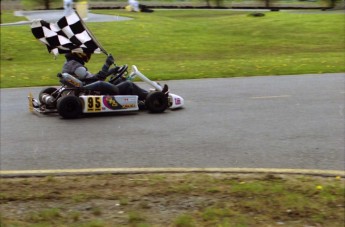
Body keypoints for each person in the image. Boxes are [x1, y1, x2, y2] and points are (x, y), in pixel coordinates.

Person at [61, 52, 152, 100]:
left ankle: (144, 96)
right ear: (80, 53)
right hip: (94, 92)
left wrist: (111, 71)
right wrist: (107, 64)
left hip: (90, 88)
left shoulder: (69, 64)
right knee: (128, 84)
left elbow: (93, 79)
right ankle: (150, 96)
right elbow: (96, 80)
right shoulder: (77, 67)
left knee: (119, 80)